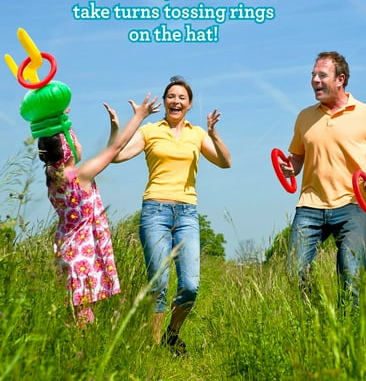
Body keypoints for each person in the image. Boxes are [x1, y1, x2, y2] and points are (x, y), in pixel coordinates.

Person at [112, 76, 231, 354]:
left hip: (187, 214)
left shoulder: (197, 133)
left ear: (189, 104)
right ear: (165, 102)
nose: (176, 101)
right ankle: (153, 349)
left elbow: (226, 162)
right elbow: (117, 156)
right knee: (160, 283)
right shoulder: (150, 130)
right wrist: (122, 127)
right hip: (155, 211)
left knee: (190, 285)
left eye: (182, 98)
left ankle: (172, 333)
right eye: (171, 96)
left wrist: (214, 135)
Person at [281, 51, 366, 304]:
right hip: (310, 206)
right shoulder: (304, 116)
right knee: (294, 271)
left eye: (322, 75)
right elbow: (297, 157)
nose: (315, 80)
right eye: (313, 75)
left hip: (352, 205)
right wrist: (291, 168)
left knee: (352, 277)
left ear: (340, 79)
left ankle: (349, 331)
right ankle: (319, 317)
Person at [38, 94, 161, 327]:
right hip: (82, 254)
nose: (80, 144)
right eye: (75, 140)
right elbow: (115, 149)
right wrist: (139, 116)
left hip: (66, 249)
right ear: (68, 150)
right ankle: (80, 357)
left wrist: (58, 117)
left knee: (73, 312)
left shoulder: (53, 177)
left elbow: (51, 140)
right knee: (84, 316)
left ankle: (70, 352)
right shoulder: (79, 175)